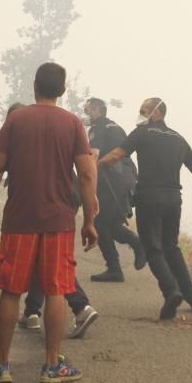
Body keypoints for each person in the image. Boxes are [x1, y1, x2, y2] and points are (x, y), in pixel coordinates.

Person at [0, 63, 98, 383]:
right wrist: (89, 219)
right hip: (58, 220)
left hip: (19, 218)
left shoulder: (16, 119)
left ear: (34, 85)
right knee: (56, 290)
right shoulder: (73, 123)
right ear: (62, 90)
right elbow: (87, 173)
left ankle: (2, 365)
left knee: (10, 290)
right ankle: (51, 366)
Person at [100, 98, 192, 320]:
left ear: (157, 112)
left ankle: (171, 292)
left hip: (149, 197)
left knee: (153, 248)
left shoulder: (140, 133)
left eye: (144, 111)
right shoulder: (179, 139)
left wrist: (91, 168)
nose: (140, 115)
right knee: (171, 247)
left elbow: (115, 156)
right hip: (173, 199)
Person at [0, 103, 100, 340]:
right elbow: (88, 168)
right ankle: (33, 315)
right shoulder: (65, 125)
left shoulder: (18, 128)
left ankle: (79, 307)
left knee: (40, 277)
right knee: (46, 261)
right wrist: (91, 203)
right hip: (66, 200)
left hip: (38, 209)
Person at [83, 97, 145, 282]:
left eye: (88, 109)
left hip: (111, 178)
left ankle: (115, 269)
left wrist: (88, 184)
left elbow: (93, 157)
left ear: (96, 110)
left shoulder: (98, 127)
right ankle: (137, 244)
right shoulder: (114, 126)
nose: (86, 112)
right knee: (112, 224)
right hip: (127, 177)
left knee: (100, 223)